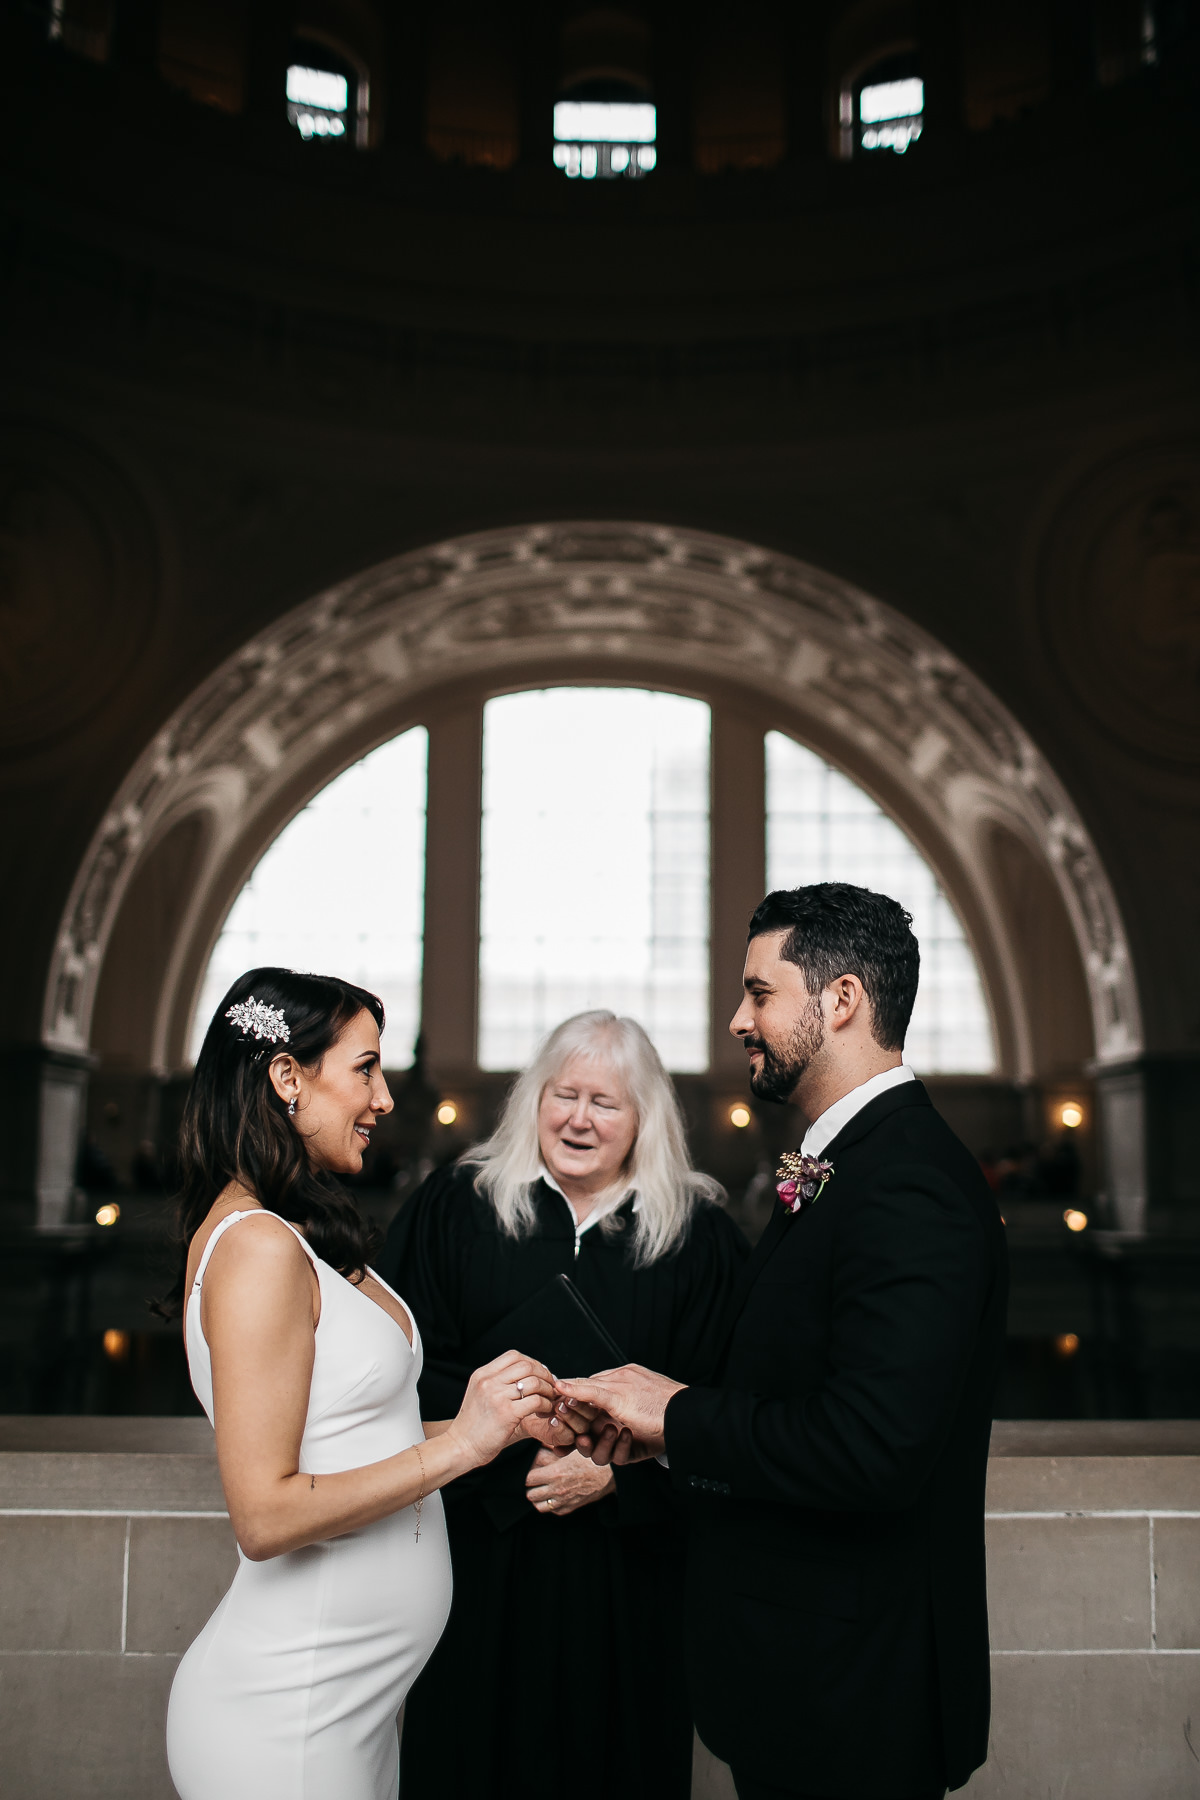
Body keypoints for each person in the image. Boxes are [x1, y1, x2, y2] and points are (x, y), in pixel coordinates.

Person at [559, 885, 1009, 1800]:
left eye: (760, 994)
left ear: (841, 1000)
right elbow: (796, 1383)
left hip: (855, 1699)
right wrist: (657, 1440)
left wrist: (677, 1414)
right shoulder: (848, 1163)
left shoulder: (908, 1183)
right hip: (810, 1685)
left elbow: (874, 1448)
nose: (737, 1020)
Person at [163, 968, 585, 1800]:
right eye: (364, 1068)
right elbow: (265, 1513)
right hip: (287, 1718)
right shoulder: (254, 1246)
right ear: (288, 1076)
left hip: (349, 1713)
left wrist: (492, 1423)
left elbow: (353, 1440)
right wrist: (461, 1447)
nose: (385, 1098)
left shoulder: (290, 1232)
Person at [378, 1010, 748, 1800]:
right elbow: (397, 1369)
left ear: (643, 1118)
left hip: (630, 1581)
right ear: (532, 1101)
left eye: (605, 1102)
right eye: (563, 1094)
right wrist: (506, 1434)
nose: (579, 1118)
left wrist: (620, 1479)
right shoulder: (457, 1207)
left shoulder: (699, 1237)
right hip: (478, 1560)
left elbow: (729, 1402)